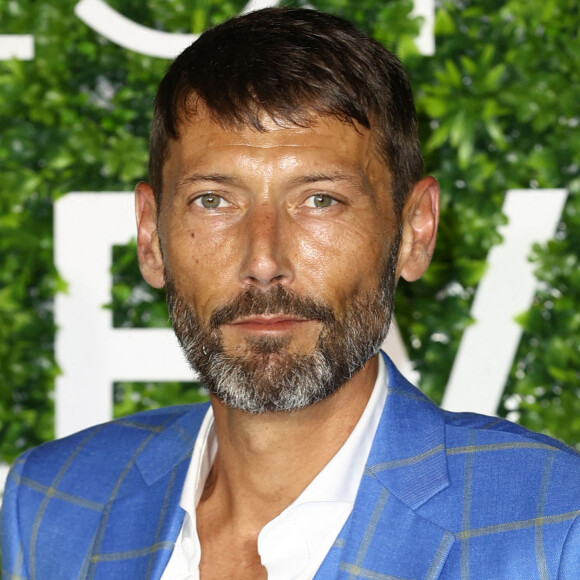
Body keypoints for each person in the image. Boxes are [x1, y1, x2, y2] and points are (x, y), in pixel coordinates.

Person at [2, 7, 580, 579]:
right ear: (151, 237)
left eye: (319, 200)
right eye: (213, 199)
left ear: (414, 232)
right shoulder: (50, 503)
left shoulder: (554, 528)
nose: (263, 261)